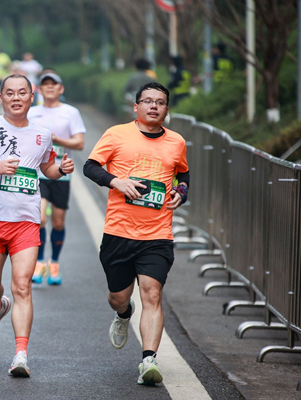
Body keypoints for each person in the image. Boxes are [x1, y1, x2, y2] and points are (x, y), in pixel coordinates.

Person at [0, 74, 75, 377]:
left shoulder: (42, 134)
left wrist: (60, 169)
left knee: (23, 285)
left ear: (31, 96)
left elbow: (47, 168)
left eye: (21, 93)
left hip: (26, 222)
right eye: (9, 93)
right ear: (1, 97)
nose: (16, 98)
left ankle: (21, 354)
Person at [82, 82, 190, 386]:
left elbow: (183, 172)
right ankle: (123, 313)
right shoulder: (117, 134)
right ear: (136, 107)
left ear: (167, 110)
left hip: (157, 234)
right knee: (118, 296)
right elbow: (90, 167)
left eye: (160, 102)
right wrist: (116, 182)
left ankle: (148, 360)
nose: (154, 106)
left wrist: (182, 190)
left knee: (152, 294)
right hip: (119, 232)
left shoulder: (177, 142)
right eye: (148, 101)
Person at [27, 72, 86, 285]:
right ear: (39, 90)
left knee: (58, 222)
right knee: (41, 218)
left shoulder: (70, 112)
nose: (49, 88)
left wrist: (57, 139)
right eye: (45, 85)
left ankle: (55, 262)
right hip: (38, 172)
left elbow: (79, 143)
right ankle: (40, 262)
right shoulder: (32, 113)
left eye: (54, 84)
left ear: (61, 89)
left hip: (61, 172)